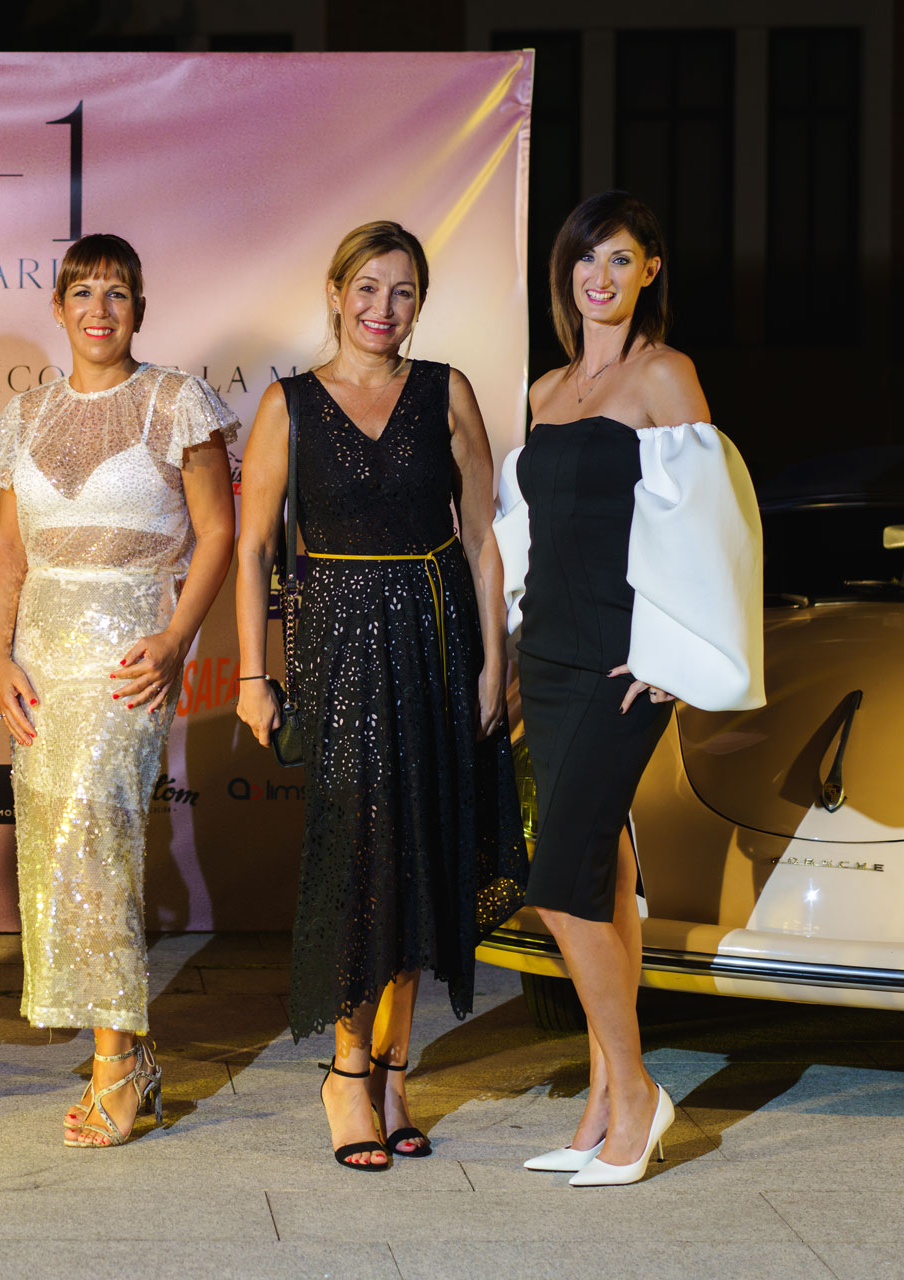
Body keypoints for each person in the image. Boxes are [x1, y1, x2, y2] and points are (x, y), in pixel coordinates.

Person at [234, 221, 527, 1171]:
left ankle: (395, 1073)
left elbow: (480, 538)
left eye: (402, 291)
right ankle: (346, 1072)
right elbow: (253, 548)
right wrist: (252, 674)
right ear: (334, 292)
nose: (382, 308)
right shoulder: (288, 404)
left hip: (436, 638)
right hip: (339, 650)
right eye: (366, 287)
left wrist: (493, 663)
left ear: (419, 304)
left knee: (424, 853)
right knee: (362, 858)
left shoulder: (447, 392)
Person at [494, 191, 762, 1187]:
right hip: (550, 657)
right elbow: (529, 533)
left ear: (650, 271)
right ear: (565, 274)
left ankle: (639, 1093)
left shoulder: (663, 374)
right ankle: (605, 1101)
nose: (599, 276)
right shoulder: (547, 389)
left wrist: (670, 652)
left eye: (620, 258)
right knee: (602, 877)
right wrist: (511, 646)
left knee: (559, 888)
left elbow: (713, 522)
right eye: (584, 258)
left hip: (623, 665)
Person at [0, 234, 238, 1147]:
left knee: (98, 838)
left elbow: (218, 533)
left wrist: (175, 640)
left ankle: (119, 1065)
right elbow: (7, 549)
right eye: (83, 292)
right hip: (41, 660)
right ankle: (124, 1049)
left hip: (130, 654)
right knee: (59, 845)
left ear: (140, 309)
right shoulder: (25, 414)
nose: (100, 309)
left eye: (117, 293)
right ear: (58, 308)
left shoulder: (176, 401)